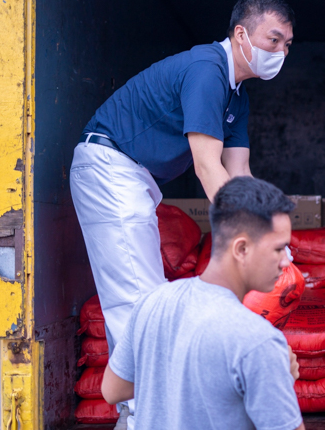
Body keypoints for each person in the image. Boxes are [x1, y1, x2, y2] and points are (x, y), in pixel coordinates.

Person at [70, 0, 295, 428]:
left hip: (135, 178)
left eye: (287, 44)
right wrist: (254, 239)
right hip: (109, 167)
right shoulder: (207, 70)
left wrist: (274, 236)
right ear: (241, 34)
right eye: (273, 40)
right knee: (140, 303)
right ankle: (139, 417)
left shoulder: (237, 94)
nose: (281, 52)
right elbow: (208, 168)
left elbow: (240, 171)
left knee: (148, 297)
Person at [101, 176, 305, 430]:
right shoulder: (258, 340)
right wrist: (280, 378)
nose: (286, 261)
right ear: (241, 249)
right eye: (279, 249)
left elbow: (112, 389)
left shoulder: (152, 303)